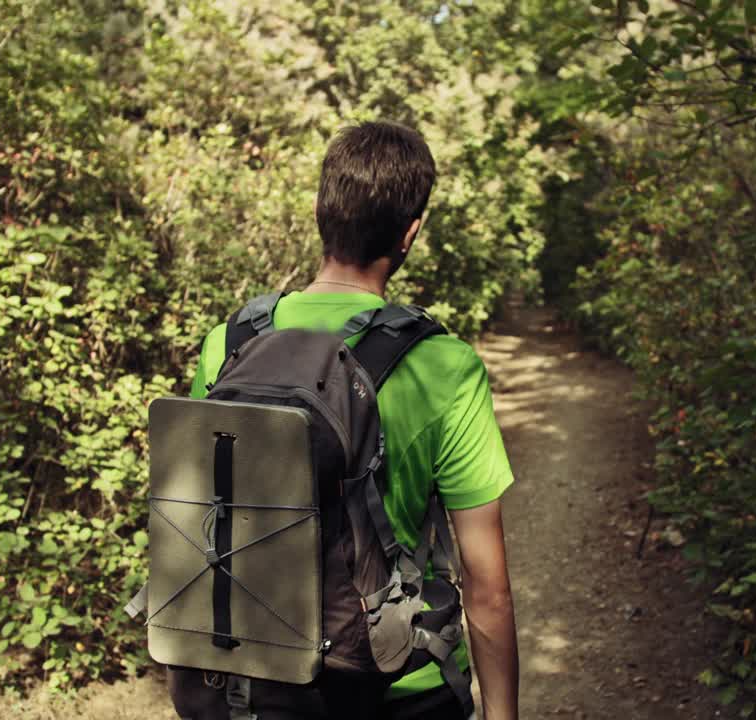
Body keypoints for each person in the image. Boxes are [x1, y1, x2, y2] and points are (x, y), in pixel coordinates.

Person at [169, 121, 519, 720]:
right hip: (395, 687)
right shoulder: (444, 365)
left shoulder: (227, 344)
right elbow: (488, 590)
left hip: (253, 682)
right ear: (410, 234)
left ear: (320, 215)